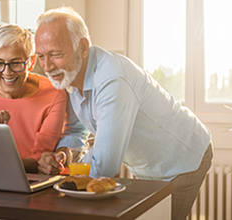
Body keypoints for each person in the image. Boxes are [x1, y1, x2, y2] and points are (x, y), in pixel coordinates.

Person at [34, 7, 213, 220]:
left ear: (82, 47)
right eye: (41, 56)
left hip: (182, 158)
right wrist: (64, 155)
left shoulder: (112, 78)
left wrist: (65, 185)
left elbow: (104, 165)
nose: (47, 66)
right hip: (147, 164)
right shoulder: (70, 75)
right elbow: (75, 130)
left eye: (55, 54)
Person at [0, 24, 68, 173]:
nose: (7, 72)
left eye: (16, 63)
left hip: (31, 179)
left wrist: (0, 164)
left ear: (31, 62)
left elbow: (41, 157)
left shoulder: (54, 93)